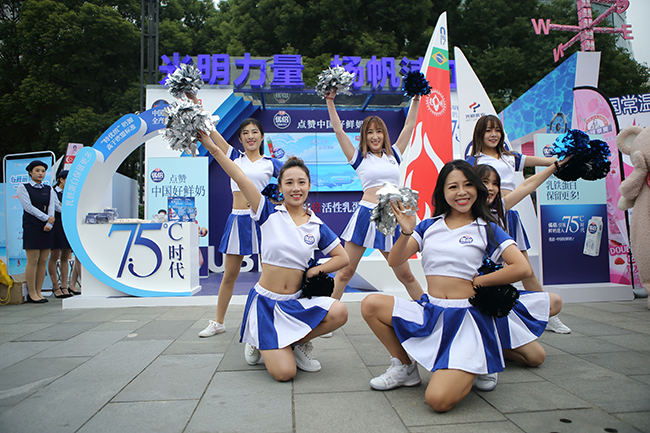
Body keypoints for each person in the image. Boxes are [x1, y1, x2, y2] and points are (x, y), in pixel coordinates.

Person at [361, 160, 561, 412]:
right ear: (443, 192)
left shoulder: (487, 227)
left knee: (438, 400)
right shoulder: (429, 225)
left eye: (468, 185)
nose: (461, 192)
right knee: (371, 305)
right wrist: (407, 232)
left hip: (468, 320)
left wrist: (479, 281)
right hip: (432, 312)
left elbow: (521, 267)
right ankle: (405, 367)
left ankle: (480, 360)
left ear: (477, 189)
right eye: (453, 186)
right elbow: (395, 260)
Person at [199, 130, 349, 381]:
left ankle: (294, 341)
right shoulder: (267, 212)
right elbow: (238, 175)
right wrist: (212, 147)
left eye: (301, 182)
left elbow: (342, 258)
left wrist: (314, 270)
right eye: (289, 183)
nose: (295, 188)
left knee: (340, 312)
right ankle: (258, 338)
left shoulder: (316, 224)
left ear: (309, 186)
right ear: (279, 187)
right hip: (266, 305)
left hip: (295, 303)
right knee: (285, 373)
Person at [467, 114, 571, 334]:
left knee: (526, 270)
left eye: (497, 130)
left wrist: (560, 162)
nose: (493, 134)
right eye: (488, 130)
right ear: (479, 133)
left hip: (508, 216)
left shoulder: (509, 157)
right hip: (485, 219)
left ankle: (548, 314)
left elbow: (535, 173)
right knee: (484, 270)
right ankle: (481, 317)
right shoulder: (472, 161)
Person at [325, 89, 423, 302]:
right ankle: (327, 313)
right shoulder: (359, 158)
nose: (375, 136)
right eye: (369, 132)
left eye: (379, 131)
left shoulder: (394, 154)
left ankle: (430, 312)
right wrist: (330, 101)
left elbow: (409, 125)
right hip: (365, 216)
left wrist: (416, 98)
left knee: (405, 274)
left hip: (392, 218)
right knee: (345, 272)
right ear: (364, 136)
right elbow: (339, 131)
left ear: (384, 134)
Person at [197, 118, 284, 338]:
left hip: (263, 220)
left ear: (262, 137)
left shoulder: (271, 163)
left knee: (270, 273)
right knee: (229, 275)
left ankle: (279, 319)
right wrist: (196, 110)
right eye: (245, 133)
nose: (250, 136)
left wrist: (280, 202)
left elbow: (293, 179)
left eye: (254, 132)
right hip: (238, 219)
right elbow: (213, 135)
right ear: (240, 138)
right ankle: (218, 322)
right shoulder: (234, 156)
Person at [17, 160, 56, 303]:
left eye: (43, 171)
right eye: (37, 171)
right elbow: (28, 207)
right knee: (33, 260)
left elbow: (51, 206)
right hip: (32, 226)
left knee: (43, 260)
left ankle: (39, 292)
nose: (40, 173)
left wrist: (50, 223)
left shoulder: (48, 189)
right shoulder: (23, 187)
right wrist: (46, 218)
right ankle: (31, 292)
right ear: (30, 172)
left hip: (47, 227)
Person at [47, 170, 75, 298]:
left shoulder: (71, 194)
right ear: (61, 179)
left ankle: (65, 286)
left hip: (68, 226)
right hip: (57, 225)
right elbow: (58, 208)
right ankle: (55, 286)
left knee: (65, 257)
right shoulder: (53, 192)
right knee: (54, 256)